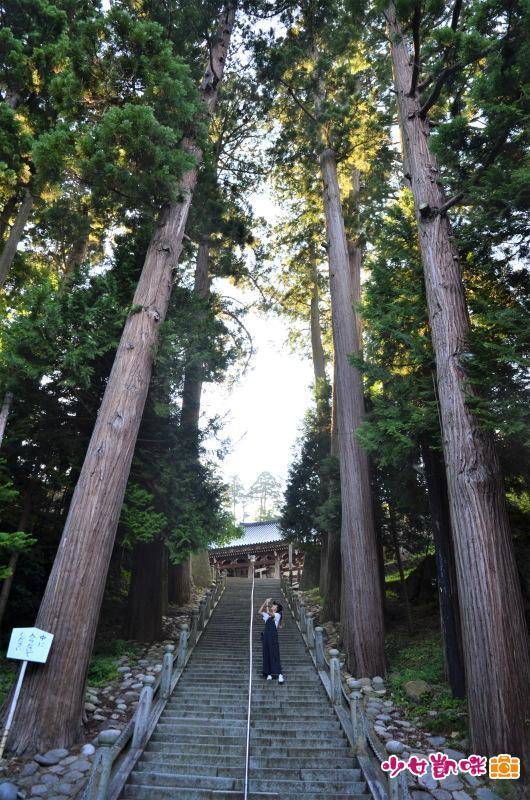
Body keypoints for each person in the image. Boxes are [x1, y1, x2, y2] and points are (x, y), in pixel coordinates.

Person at [258, 597, 284, 683]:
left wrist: (267, 604)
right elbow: (260, 611)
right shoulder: (267, 616)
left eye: (274, 606)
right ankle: (268, 673)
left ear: (277, 608)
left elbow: (270, 612)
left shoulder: (278, 615)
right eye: (273, 605)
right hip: (266, 636)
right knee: (266, 653)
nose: (273, 606)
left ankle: (280, 674)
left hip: (273, 636)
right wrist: (265, 602)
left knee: (274, 653)